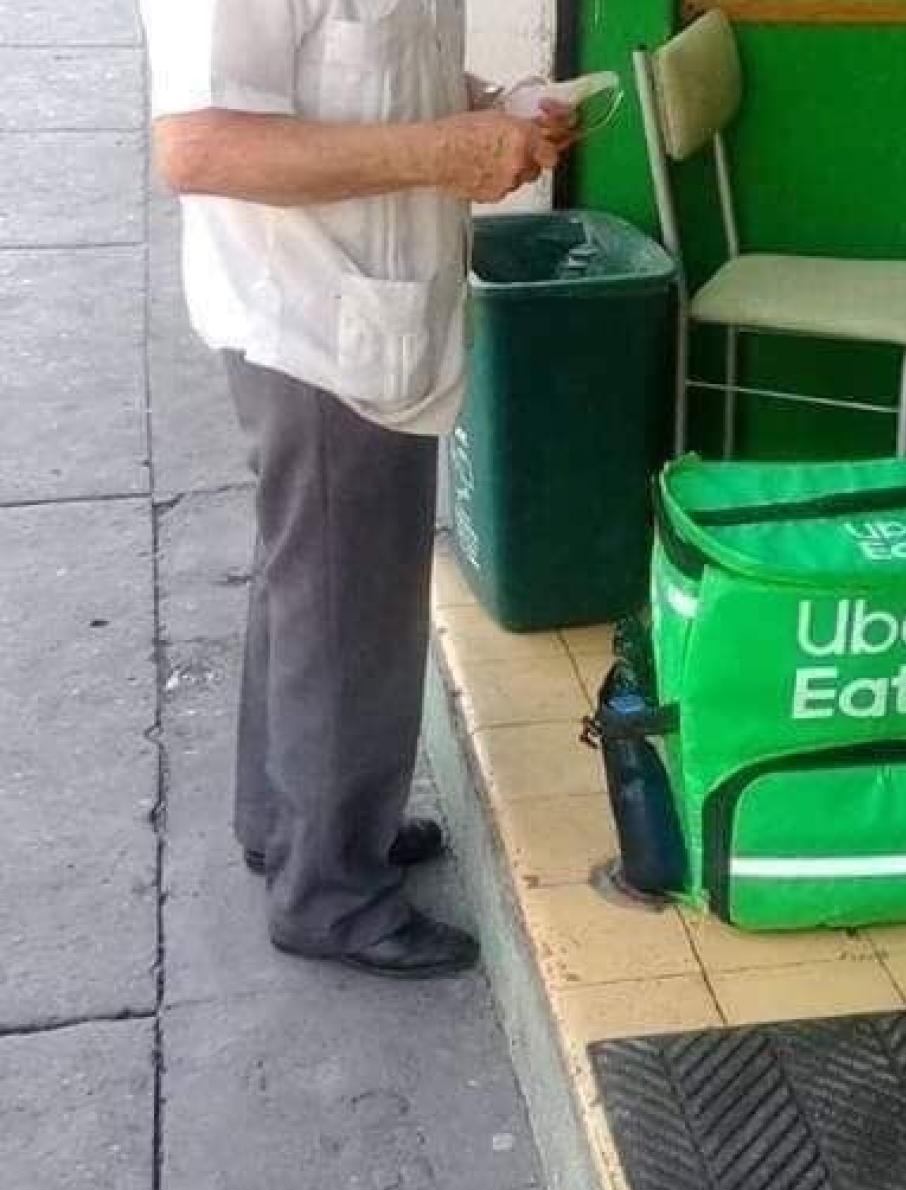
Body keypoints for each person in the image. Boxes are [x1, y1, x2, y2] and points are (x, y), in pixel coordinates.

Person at [140, 1, 575, 979]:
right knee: (349, 605)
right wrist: (445, 150)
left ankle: (295, 824)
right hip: (313, 318)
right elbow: (201, 148)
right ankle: (330, 892)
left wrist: (490, 109)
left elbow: (363, 77)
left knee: (311, 583)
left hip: (363, 300)